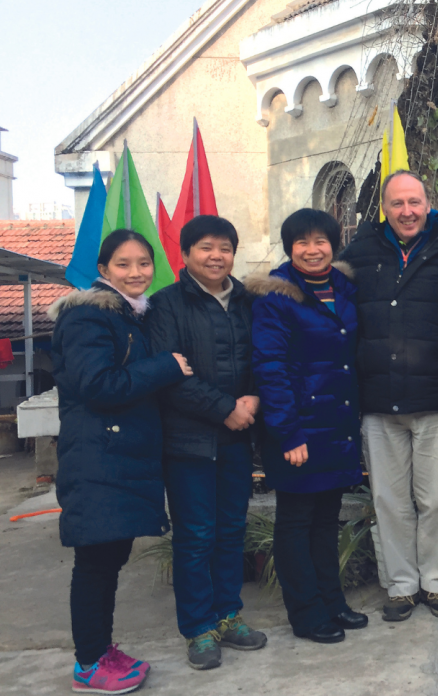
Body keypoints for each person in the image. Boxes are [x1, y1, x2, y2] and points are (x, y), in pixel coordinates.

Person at [49, 230, 192, 694]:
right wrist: (167, 365)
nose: (136, 273)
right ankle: (89, 663)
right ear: (104, 270)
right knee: (95, 563)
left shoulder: (129, 317)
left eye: (144, 263)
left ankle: (100, 649)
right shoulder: (89, 317)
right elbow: (100, 385)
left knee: (108, 558)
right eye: (124, 264)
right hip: (98, 459)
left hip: (117, 459)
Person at [340, 170, 438, 622]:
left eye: (415, 202)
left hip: (434, 397)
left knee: (435, 499)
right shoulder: (359, 254)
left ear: (428, 204)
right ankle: (401, 585)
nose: (407, 212)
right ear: (385, 209)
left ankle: (437, 583)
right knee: (390, 501)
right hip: (378, 398)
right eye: (397, 204)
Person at [147, 215, 267, 670]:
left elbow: (264, 355)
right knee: (195, 536)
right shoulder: (165, 305)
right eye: (205, 248)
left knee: (231, 531)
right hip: (188, 442)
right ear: (185, 254)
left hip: (237, 440)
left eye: (225, 248)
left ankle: (228, 616)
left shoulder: (248, 302)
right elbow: (169, 376)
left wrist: (254, 396)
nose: (216, 256)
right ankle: (199, 629)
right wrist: (225, 409)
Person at [247, 209, 368, 644]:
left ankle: (332, 602)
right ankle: (306, 613)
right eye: (302, 242)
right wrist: (287, 432)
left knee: (325, 521)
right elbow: (270, 367)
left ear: (334, 244)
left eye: (321, 240)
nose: (313, 249)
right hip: (299, 429)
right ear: (289, 247)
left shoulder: (344, 288)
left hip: (336, 425)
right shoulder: (277, 297)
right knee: (296, 521)